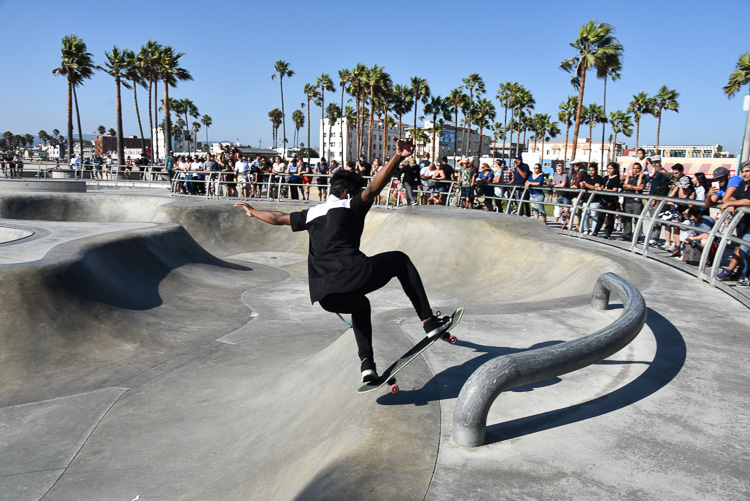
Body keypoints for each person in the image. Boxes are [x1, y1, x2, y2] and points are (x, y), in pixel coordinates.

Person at [234, 138, 452, 383]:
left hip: (324, 294)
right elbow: (374, 189)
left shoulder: (310, 213)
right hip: (354, 274)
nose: (362, 196)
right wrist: (397, 157)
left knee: (361, 306)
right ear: (347, 192)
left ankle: (367, 364)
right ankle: (428, 320)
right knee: (400, 260)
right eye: (357, 192)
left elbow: (276, 217)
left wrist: (252, 212)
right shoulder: (351, 205)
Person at [591, 162, 622, 239]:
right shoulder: (605, 177)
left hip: (612, 201)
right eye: (608, 168)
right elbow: (602, 185)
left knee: (610, 217)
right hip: (604, 200)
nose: (609, 170)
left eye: (611, 168)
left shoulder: (616, 178)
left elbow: (614, 190)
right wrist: (598, 186)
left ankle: (608, 233)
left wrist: (604, 189)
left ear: (614, 169)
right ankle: (595, 232)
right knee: (601, 217)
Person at [619, 162, 649, 241]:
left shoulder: (643, 176)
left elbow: (641, 187)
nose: (635, 170)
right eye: (634, 168)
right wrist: (632, 187)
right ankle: (626, 235)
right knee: (627, 219)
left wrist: (631, 187)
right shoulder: (629, 176)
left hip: (637, 201)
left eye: (637, 168)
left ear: (640, 169)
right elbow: (623, 186)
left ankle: (637, 236)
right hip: (627, 200)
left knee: (637, 219)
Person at [579, 164, 604, 235]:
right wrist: (582, 185)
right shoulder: (587, 178)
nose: (591, 172)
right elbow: (583, 186)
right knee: (584, 215)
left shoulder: (599, 178)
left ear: (596, 170)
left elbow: (595, 187)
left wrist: (586, 184)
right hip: (586, 200)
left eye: (592, 170)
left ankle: (593, 231)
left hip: (595, 200)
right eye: (590, 170)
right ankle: (586, 229)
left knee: (594, 216)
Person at [552, 163, 571, 229]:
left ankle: (569, 224)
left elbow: (563, 184)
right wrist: (550, 184)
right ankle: (563, 224)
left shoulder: (565, 175)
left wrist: (555, 186)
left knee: (566, 210)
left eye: (559, 169)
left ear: (562, 169)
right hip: (559, 195)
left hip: (566, 196)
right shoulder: (555, 176)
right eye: (557, 169)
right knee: (561, 211)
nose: (558, 170)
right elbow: (554, 183)